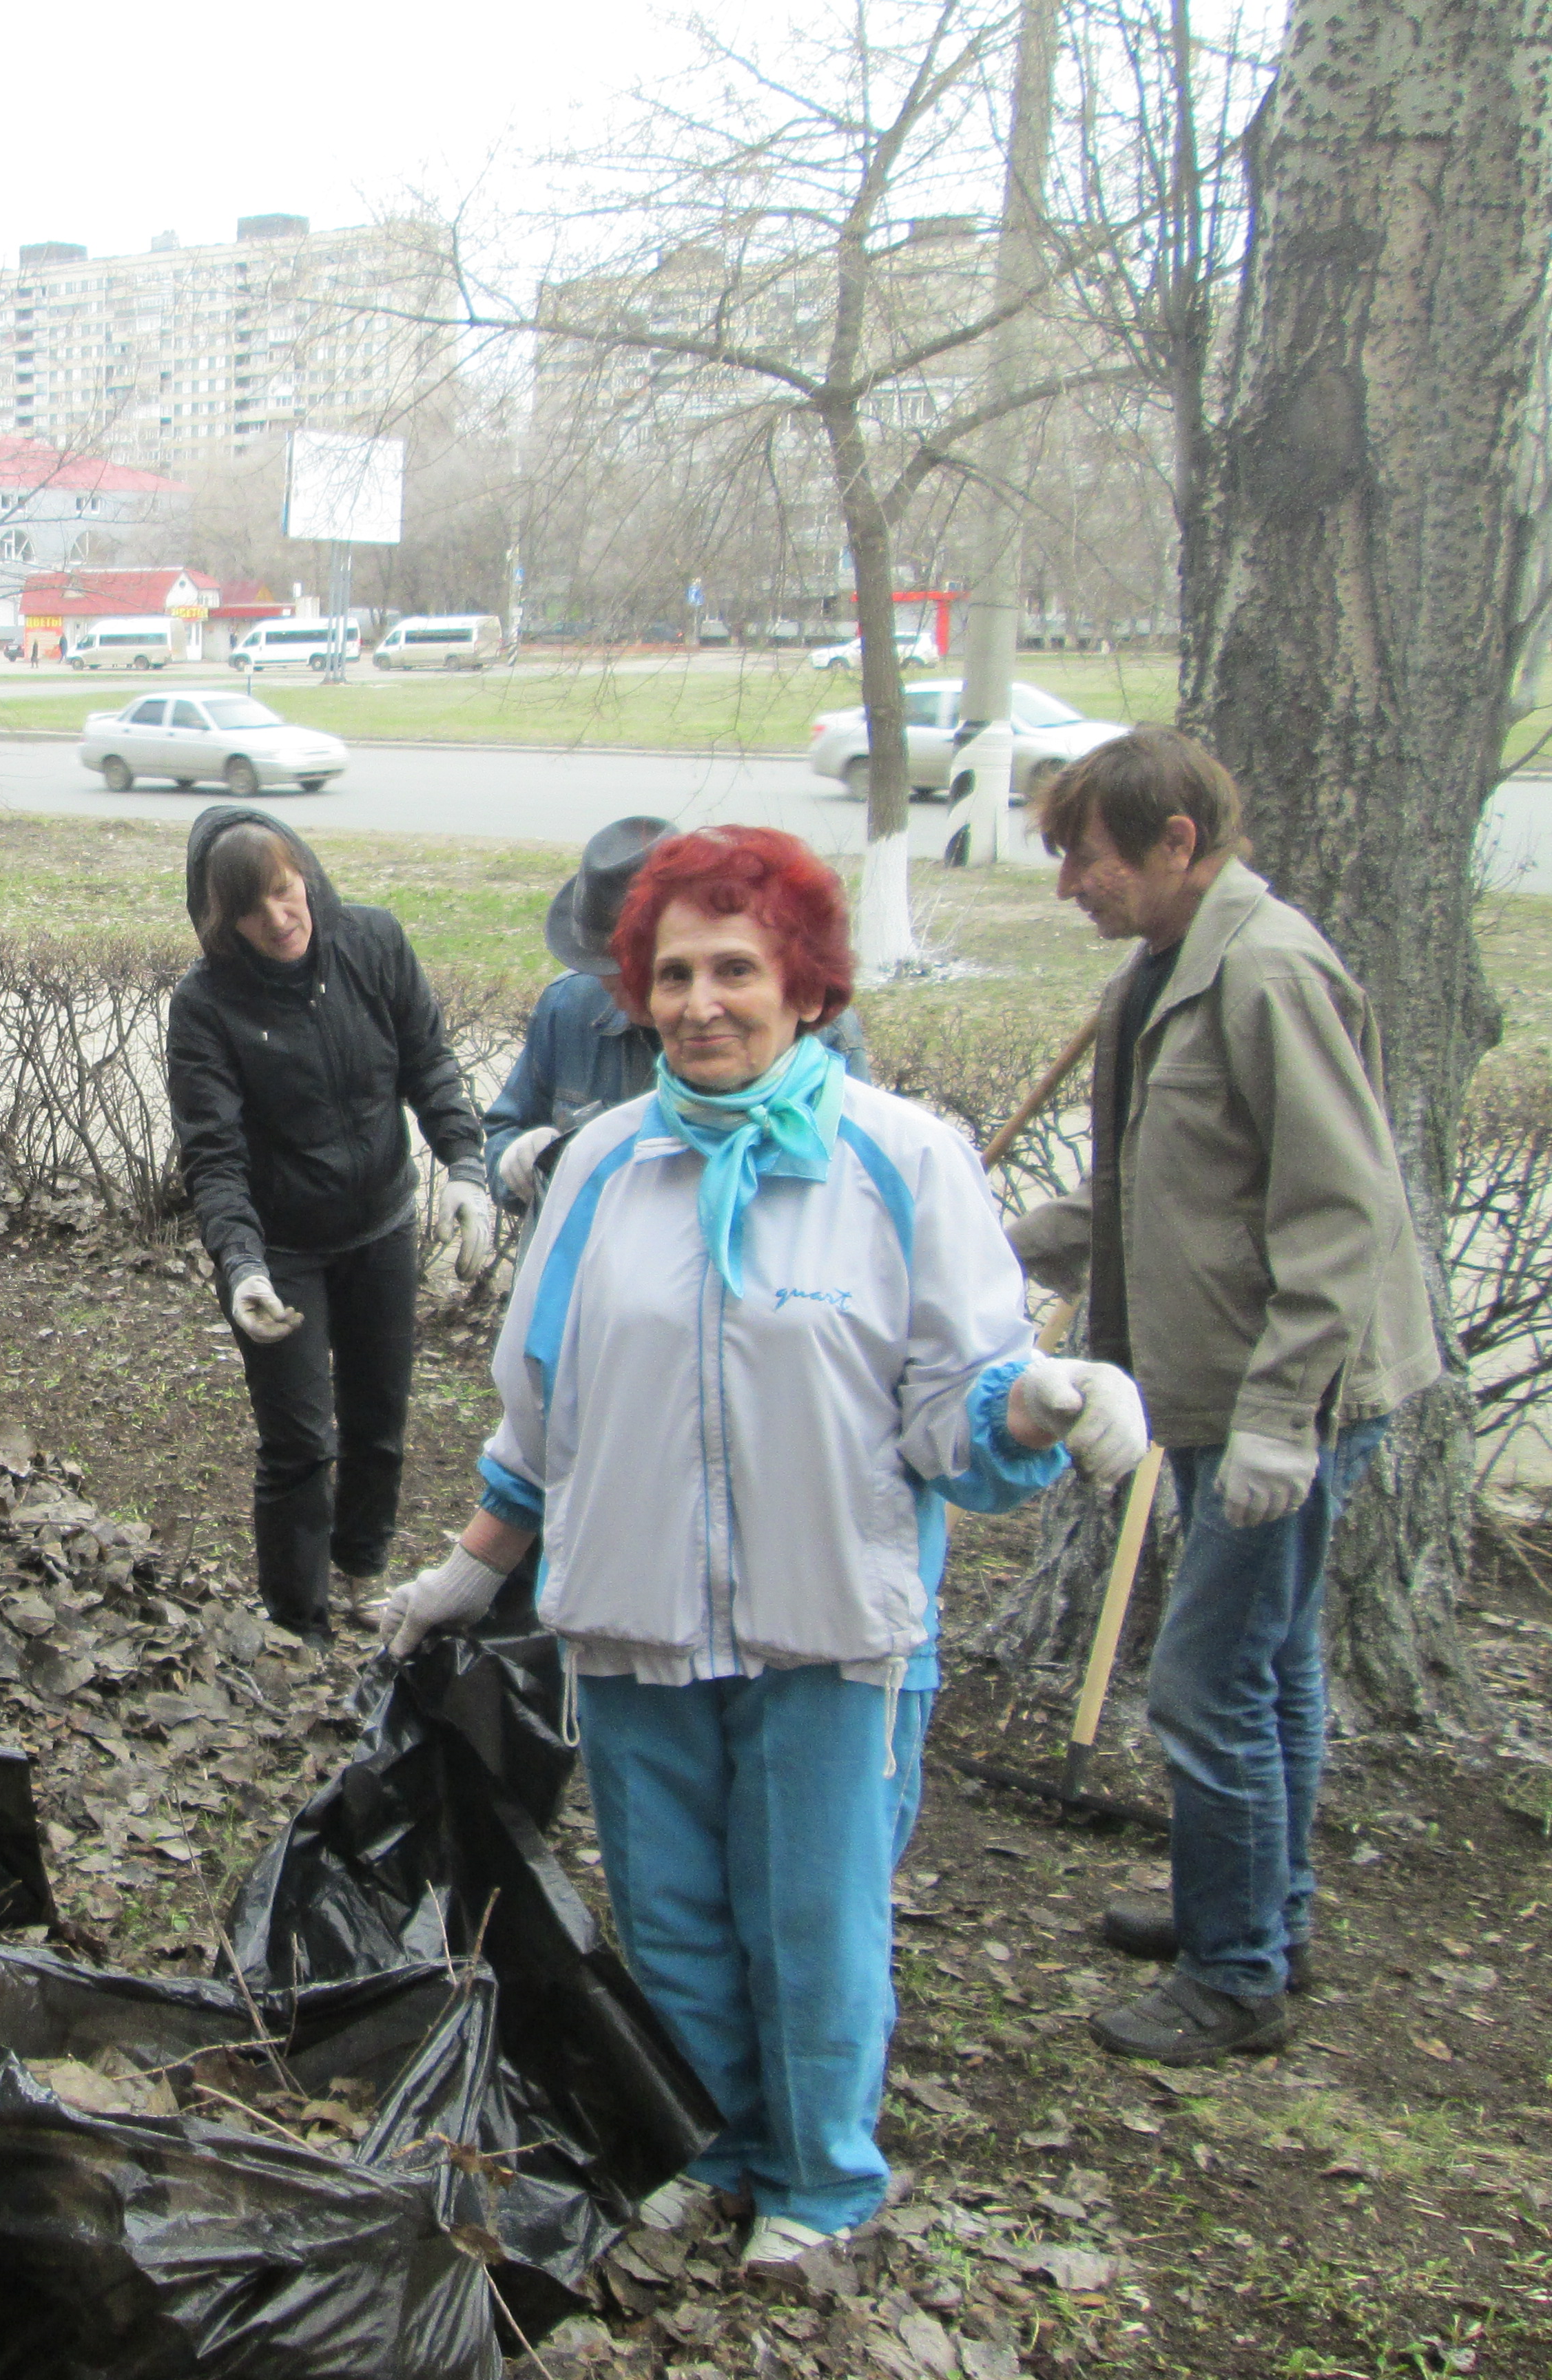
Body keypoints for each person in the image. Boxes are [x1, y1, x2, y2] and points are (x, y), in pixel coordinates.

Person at [376, 824, 1146, 2269]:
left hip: (829, 1624)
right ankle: (710, 2141)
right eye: (674, 974)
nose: (700, 1002)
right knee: (669, 1913)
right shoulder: (606, 1164)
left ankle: (821, 2179)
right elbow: (545, 1407)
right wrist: (477, 1563)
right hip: (632, 1614)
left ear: (805, 985)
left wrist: (1039, 1404)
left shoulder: (904, 1160)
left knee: (812, 1924)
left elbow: (954, 1406)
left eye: (736, 968)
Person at [1007, 728, 1439, 2065]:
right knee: (1271, 1663)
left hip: (1287, 1395)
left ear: (1175, 843)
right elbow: (1164, 1185)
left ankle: (1237, 1975)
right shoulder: (1169, 972)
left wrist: (1284, 1414)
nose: (1071, 883)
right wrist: (996, 1235)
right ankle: (1260, 1914)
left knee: (1204, 1680)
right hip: (1218, 1390)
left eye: (1086, 855)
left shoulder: (1268, 972)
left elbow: (1340, 1206)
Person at [165, 806, 497, 1640]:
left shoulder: (372, 944)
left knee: (379, 1420)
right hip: (279, 1252)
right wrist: (241, 1266)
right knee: (301, 1443)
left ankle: (358, 1571)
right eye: (252, 909)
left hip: (381, 1225)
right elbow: (215, 1156)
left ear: (304, 876)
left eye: (285, 892)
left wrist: (464, 1167)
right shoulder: (206, 1006)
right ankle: (296, 1624)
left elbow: (427, 1059)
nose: (279, 920)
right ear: (222, 921)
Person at [486, 815, 869, 1213]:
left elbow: (851, 1174)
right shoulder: (569, 1005)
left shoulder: (809, 1025)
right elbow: (504, 1132)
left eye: (734, 970)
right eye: (595, 969)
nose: (699, 1008)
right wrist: (518, 1161)